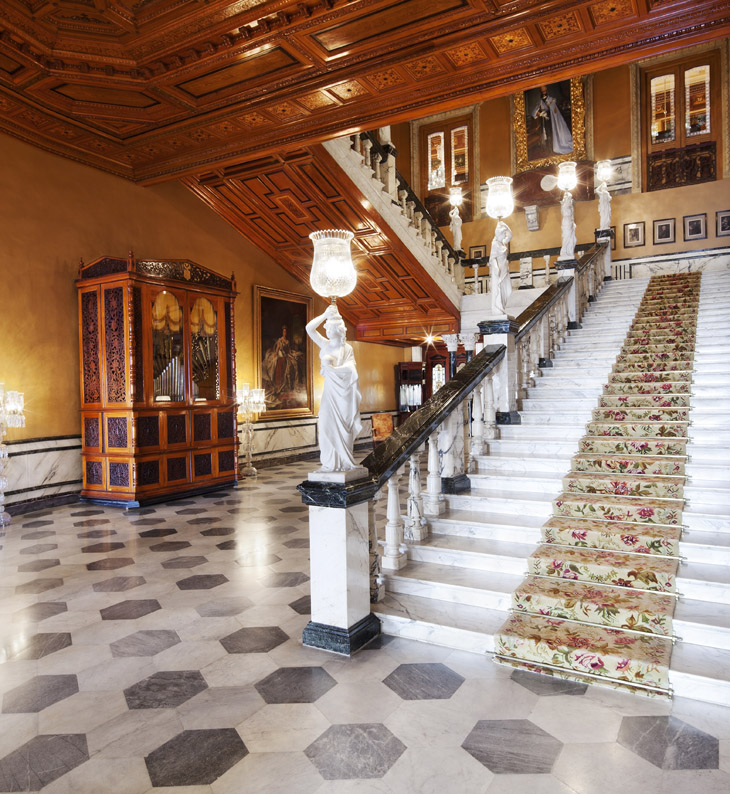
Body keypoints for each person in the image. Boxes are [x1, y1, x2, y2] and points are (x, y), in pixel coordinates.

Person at [305, 304, 362, 472]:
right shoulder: (325, 344)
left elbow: (352, 370)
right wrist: (324, 314)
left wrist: (333, 369)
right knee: (324, 424)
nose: (327, 331)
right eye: (326, 328)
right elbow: (309, 328)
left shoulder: (347, 348)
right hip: (330, 392)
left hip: (343, 394)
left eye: (329, 328)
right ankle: (329, 463)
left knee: (344, 428)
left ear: (338, 329)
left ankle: (344, 462)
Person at [531, 85, 573, 155]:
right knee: (548, 135)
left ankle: (555, 147)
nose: (543, 93)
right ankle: (549, 149)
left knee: (553, 134)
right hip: (545, 122)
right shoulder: (539, 102)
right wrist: (541, 114)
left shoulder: (551, 100)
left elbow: (555, 111)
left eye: (544, 91)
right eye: (542, 91)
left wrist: (548, 113)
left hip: (553, 121)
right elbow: (534, 113)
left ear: (547, 91)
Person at [489, 220, 513, 316]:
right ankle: (499, 309)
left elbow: (510, 235)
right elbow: (492, 258)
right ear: (499, 234)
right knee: (499, 289)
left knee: (508, 290)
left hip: (505, 269)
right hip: (499, 270)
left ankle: (502, 307)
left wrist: (505, 226)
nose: (505, 235)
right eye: (503, 233)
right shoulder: (495, 244)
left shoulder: (503, 243)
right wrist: (496, 269)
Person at [559, 191, 577, 261]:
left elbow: (571, 215)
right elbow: (566, 214)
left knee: (573, 239)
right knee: (566, 236)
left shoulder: (569, 206)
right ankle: (565, 251)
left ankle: (569, 250)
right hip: (566, 222)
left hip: (570, 222)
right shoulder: (565, 206)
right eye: (568, 198)